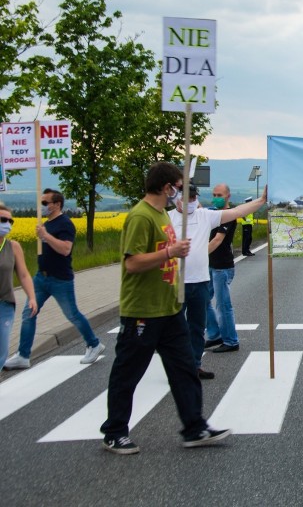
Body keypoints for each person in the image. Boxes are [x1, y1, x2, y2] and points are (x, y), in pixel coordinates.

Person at [101, 162, 230, 454]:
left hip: (169, 309)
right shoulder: (141, 216)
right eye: (178, 186)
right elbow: (132, 263)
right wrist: (170, 252)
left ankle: (194, 427)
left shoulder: (161, 215)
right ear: (165, 187)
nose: (180, 191)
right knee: (128, 372)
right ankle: (114, 431)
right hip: (143, 310)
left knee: (185, 369)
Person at [169, 185, 267, 379]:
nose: (190, 202)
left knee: (197, 328)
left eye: (193, 198)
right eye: (186, 198)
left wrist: (261, 200)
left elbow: (237, 212)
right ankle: (176, 366)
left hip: (199, 281)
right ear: (176, 199)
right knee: (175, 328)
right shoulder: (168, 218)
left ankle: (195, 365)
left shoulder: (205, 216)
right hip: (176, 282)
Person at [5, 189, 105, 370]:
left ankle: (94, 344)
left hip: (60, 279)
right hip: (41, 278)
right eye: (41, 203)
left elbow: (66, 249)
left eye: (45, 203)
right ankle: (23, 355)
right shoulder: (47, 224)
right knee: (29, 313)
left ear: (57, 204)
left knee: (72, 314)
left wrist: (46, 237)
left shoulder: (65, 224)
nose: (42, 206)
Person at [0, 203, 38, 369]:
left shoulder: (13, 247)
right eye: (2, 220)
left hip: (4, 304)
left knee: (2, 349)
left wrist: (32, 297)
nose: (7, 224)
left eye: (10, 221)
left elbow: (23, 274)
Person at [204, 183, 241, 353]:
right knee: (202, 300)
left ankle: (231, 341)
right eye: (214, 195)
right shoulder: (212, 212)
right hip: (210, 265)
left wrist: (198, 255)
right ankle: (214, 334)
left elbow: (217, 240)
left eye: (219, 195)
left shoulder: (228, 216)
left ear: (228, 197)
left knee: (223, 305)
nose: (216, 198)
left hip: (222, 267)